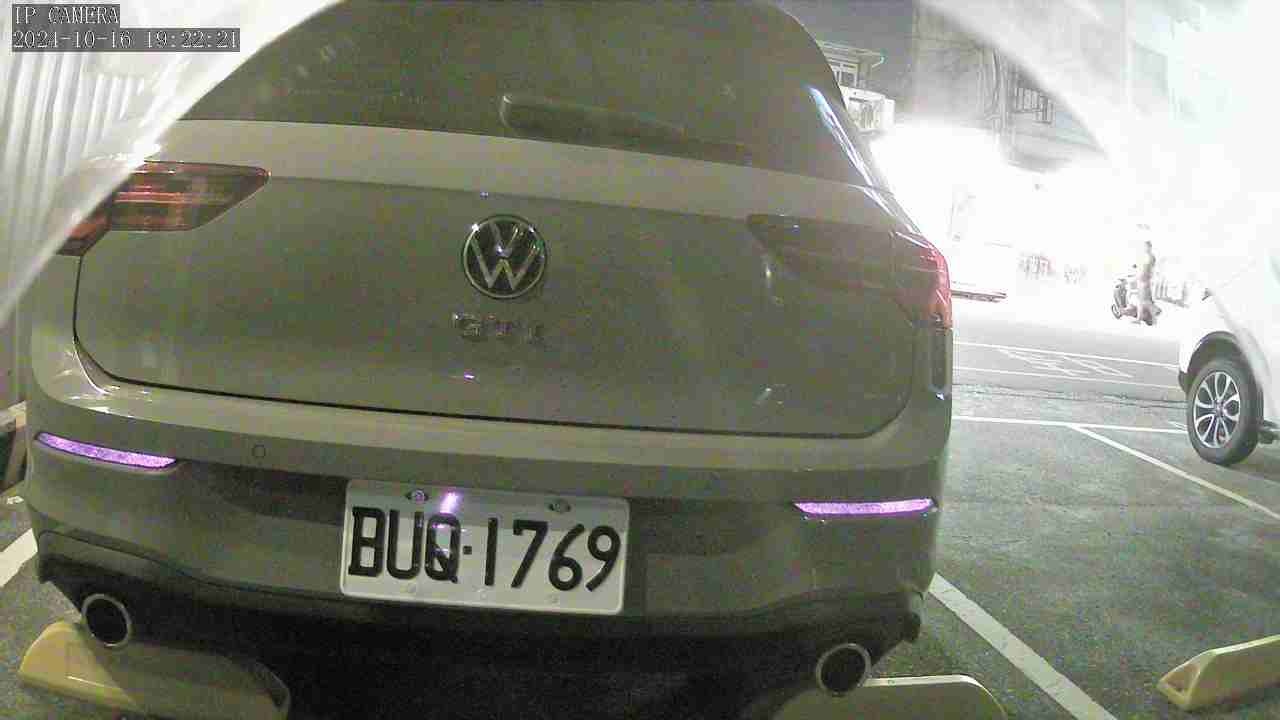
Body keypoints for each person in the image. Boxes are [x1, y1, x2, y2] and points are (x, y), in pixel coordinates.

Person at [1136, 240, 1158, 324]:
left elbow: (1148, 270)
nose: (1144, 248)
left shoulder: (1151, 257)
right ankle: (1138, 319)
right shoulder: (1146, 257)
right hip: (1141, 280)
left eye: (1146, 247)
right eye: (1144, 247)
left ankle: (1154, 320)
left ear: (1149, 247)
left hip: (1145, 281)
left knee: (1146, 302)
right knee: (1140, 301)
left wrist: (1144, 277)